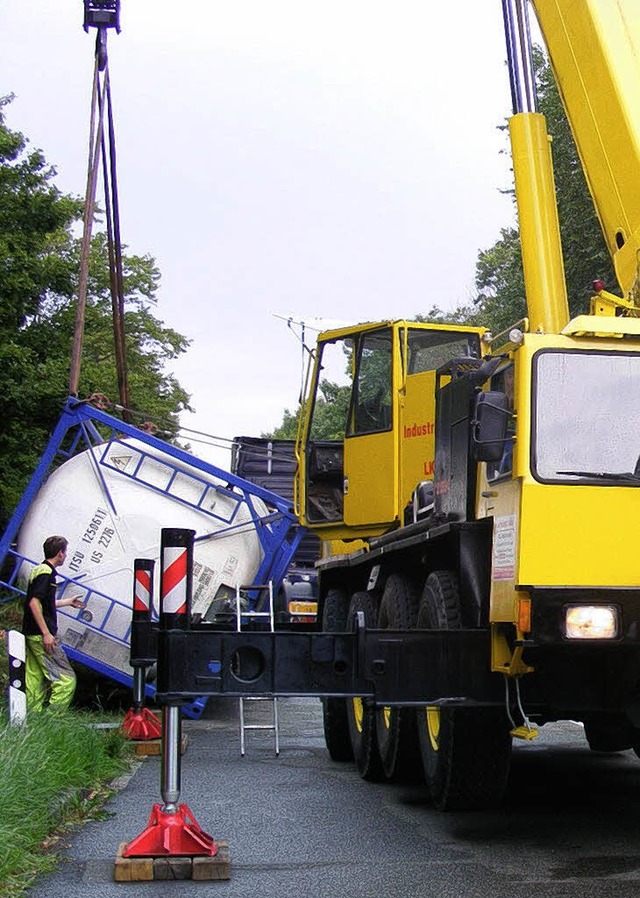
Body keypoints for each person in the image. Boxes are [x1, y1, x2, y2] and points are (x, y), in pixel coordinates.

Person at [22, 535, 85, 711]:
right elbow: (34, 603)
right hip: (41, 635)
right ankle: (53, 720)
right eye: (65, 552)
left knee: (34, 678)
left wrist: (67, 602)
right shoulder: (46, 573)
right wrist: (46, 633)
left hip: (30, 632)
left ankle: (32, 719)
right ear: (60, 553)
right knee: (66, 680)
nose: (65, 556)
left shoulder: (38, 570)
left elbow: (42, 602)